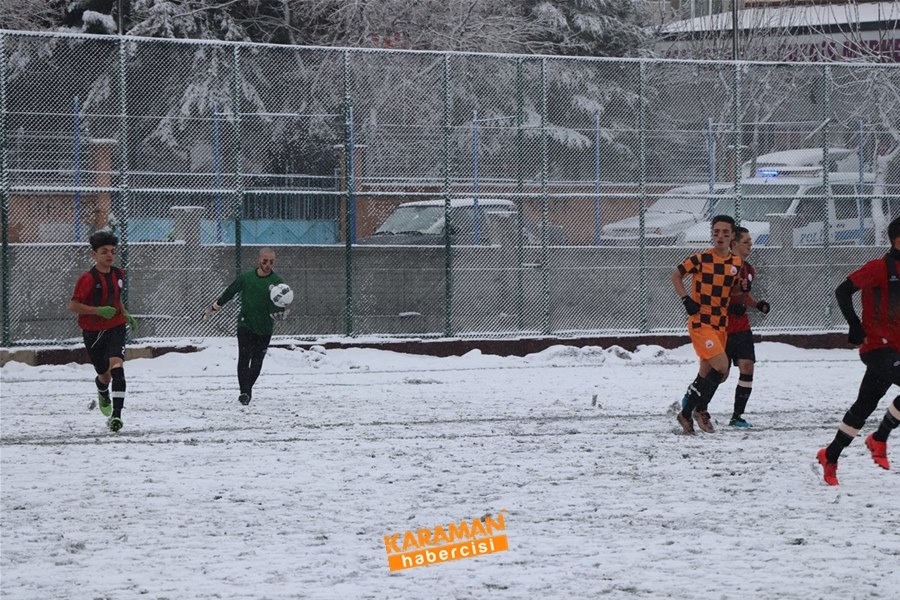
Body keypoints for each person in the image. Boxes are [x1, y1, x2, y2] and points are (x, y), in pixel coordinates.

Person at [817, 216, 900, 485]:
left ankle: (830, 455)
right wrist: (854, 326)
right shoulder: (879, 267)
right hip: (877, 347)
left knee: (864, 406)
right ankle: (880, 437)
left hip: (896, 349)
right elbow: (843, 291)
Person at [671, 215, 743, 435]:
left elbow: (731, 291)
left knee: (713, 374)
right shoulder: (700, 259)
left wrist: (736, 305)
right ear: (711, 234)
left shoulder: (736, 264)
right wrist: (686, 299)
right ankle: (698, 409)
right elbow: (676, 275)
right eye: (716, 232)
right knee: (722, 366)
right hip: (701, 323)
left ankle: (688, 411)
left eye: (725, 233)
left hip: (720, 324)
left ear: (732, 237)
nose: (720, 236)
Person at [68, 230, 137, 432]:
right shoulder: (87, 279)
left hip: (116, 327)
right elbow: (73, 306)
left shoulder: (118, 274)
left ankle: (117, 416)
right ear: (94, 255)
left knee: (118, 367)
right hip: (93, 332)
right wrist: (97, 310)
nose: (109, 255)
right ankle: (101, 389)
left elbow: (117, 300)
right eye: (104, 251)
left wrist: (126, 314)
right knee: (104, 375)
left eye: (112, 251)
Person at [205, 247, 287, 406]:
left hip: (264, 327)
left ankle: (247, 389)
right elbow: (230, 292)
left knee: (257, 361)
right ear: (258, 260)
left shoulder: (277, 283)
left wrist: (281, 311)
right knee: (244, 357)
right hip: (246, 323)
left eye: (271, 262)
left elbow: (280, 306)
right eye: (265, 261)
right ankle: (244, 393)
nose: (268, 264)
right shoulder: (246, 278)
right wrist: (214, 308)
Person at [725, 227, 771, 427]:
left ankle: (737, 416)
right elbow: (719, 293)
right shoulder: (723, 266)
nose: (750, 245)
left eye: (751, 242)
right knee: (720, 373)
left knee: (747, 367)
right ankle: (695, 404)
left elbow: (743, 295)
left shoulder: (749, 269)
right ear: (734, 244)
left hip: (742, 326)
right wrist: (732, 300)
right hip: (722, 327)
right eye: (746, 242)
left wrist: (757, 304)